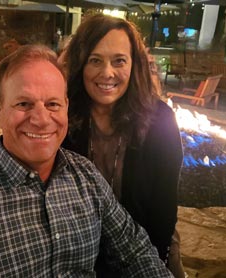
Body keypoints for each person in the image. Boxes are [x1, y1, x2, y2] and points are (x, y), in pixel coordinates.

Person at [0, 44, 174, 277]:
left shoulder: (87, 177)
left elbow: (136, 251)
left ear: (66, 107)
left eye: (53, 104)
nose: (42, 119)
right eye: (24, 104)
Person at [61, 14, 184, 277]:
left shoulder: (160, 120)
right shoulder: (64, 117)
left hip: (147, 248)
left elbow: (163, 208)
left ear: (134, 65)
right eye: (95, 60)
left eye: (119, 61)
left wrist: (152, 260)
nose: (107, 73)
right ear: (81, 64)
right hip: (81, 253)